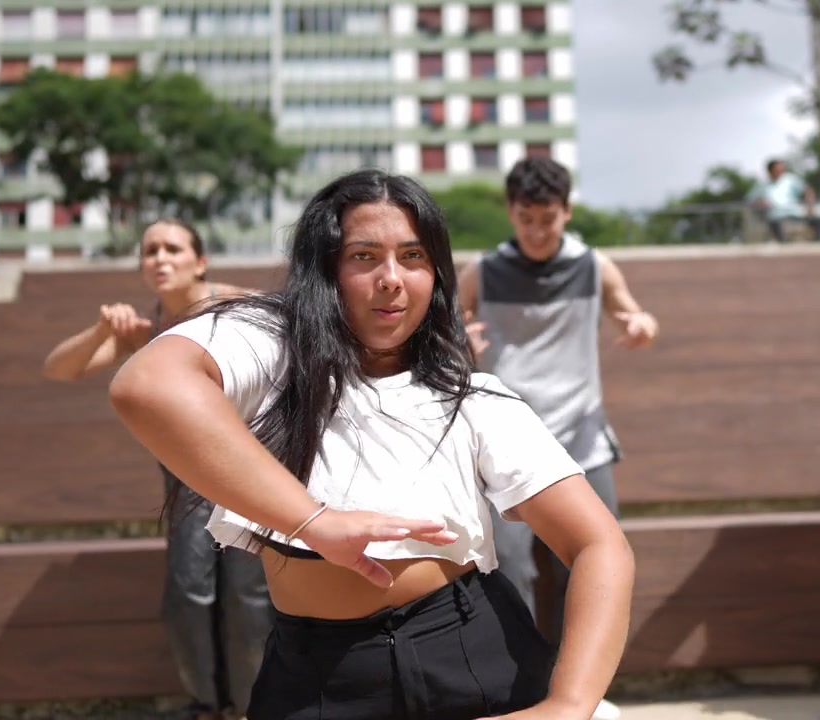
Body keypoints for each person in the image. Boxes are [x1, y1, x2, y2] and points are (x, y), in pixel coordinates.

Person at [107, 169, 636, 720]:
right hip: (315, 677)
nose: (391, 279)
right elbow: (145, 387)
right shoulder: (268, 348)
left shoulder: (475, 398)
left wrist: (569, 705)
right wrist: (314, 522)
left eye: (413, 257)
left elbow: (600, 545)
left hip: (472, 655)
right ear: (325, 267)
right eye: (364, 256)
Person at [41, 219, 271, 720]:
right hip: (187, 480)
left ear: (200, 261)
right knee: (188, 594)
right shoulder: (146, 330)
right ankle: (208, 705)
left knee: (247, 596)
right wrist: (103, 331)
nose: (160, 259)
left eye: (172, 248)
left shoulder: (239, 306)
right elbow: (58, 368)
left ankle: (250, 707)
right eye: (150, 251)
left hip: (248, 472)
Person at [457, 156, 658, 720]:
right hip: (505, 442)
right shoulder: (483, 271)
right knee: (508, 567)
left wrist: (641, 326)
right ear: (511, 212)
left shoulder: (595, 266)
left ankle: (582, 693)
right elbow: (450, 328)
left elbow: (635, 315)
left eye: (547, 219)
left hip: (582, 438)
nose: (537, 231)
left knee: (593, 565)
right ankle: (522, 692)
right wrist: (461, 340)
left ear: (567, 211)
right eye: (526, 219)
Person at [746, 158, 820, 242]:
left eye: (782, 170)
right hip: (776, 216)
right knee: (778, 226)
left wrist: (809, 208)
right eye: (777, 170)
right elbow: (749, 200)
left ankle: (818, 244)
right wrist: (760, 203)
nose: (780, 172)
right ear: (770, 171)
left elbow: (808, 191)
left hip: (795, 213)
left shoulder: (791, 179)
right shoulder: (761, 184)